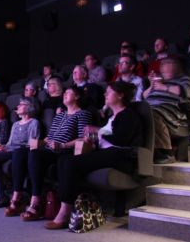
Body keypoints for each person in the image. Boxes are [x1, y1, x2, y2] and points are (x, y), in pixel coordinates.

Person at [44, 81, 143, 229]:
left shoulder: (128, 114)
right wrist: (93, 140)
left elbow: (121, 139)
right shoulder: (112, 117)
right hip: (108, 153)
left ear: (121, 95)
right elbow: (106, 138)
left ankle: (65, 212)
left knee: (71, 162)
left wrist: (97, 130)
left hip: (121, 156)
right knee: (64, 159)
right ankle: (70, 206)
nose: (105, 94)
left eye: (108, 92)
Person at [16, 86, 92, 221]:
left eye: (68, 93)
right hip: (51, 149)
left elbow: (82, 138)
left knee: (39, 156)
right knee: (28, 153)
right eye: (64, 93)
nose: (64, 95)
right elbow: (50, 136)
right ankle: (29, 199)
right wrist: (42, 143)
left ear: (77, 97)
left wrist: (63, 145)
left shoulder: (83, 114)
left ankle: (38, 204)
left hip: (66, 151)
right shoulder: (60, 115)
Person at [0, 98, 40, 209]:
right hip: (10, 150)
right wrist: (3, 147)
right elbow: (9, 143)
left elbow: (32, 143)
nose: (17, 107)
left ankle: (0, 195)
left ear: (29, 107)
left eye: (21, 105)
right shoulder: (16, 124)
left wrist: (10, 148)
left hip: (21, 152)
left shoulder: (34, 122)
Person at [143, 56, 190, 164]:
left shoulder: (184, 79)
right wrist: (151, 85)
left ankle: (165, 152)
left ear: (176, 67)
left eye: (167, 65)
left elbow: (188, 92)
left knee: (152, 114)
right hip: (150, 106)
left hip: (171, 110)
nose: (163, 69)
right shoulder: (159, 81)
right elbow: (144, 96)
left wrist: (164, 88)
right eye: (162, 66)